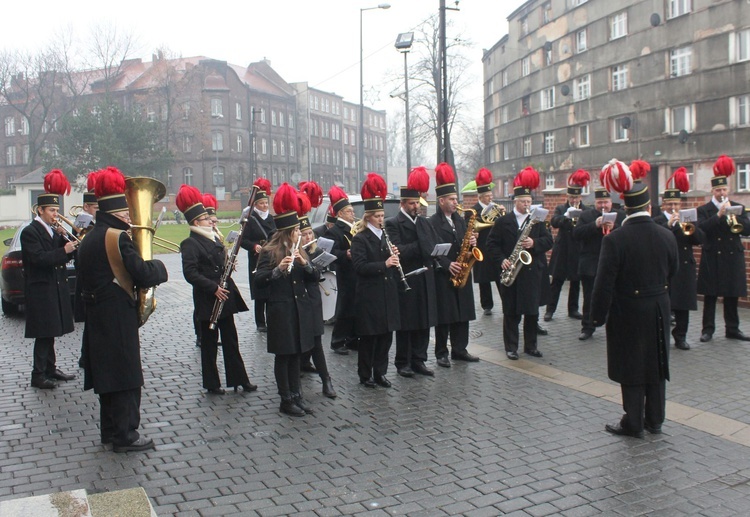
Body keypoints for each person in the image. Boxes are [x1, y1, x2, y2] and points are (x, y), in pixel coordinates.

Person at [78, 166, 168, 452]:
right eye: (128, 214)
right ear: (118, 213)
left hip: (97, 315)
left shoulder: (90, 237)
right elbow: (142, 272)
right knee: (127, 376)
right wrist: (161, 267)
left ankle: (110, 430)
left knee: (107, 376)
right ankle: (126, 435)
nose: (131, 219)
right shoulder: (117, 237)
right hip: (117, 315)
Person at [591, 163, 678, 438]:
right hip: (659, 307)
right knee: (657, 362)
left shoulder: (615, 240)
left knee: (631, 365)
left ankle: (633, 422)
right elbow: (673, 271)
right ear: (648, 208)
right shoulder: (666, 234)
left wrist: (596, 316)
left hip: (627, 309)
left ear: (624, 209)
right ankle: (656, 419)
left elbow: (604, 283)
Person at [178, 185, 256, 395]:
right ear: (196, 222)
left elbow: (217, 261)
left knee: (231, 339)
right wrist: (213, 288)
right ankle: (212, 383)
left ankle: (239, 379)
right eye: (205, 219)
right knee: (210, 343)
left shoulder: (213, 237)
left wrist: (228, 266)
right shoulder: (190, 243)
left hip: (224, 295)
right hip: (209, 297)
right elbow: (190, 273)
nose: (211, 221)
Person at [255, 183, 319, 417]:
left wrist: (306, 264)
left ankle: (298, 395)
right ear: (287, 232)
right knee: (284, 356)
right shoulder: (269, 252)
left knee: (297, 355)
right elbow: (259, 281)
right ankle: (286, 398)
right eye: (296, 232)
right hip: (281, 311)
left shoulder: (300, 250)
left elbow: (315, 278)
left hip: (299, 309)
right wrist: (276, 272)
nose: (300, 235)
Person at [486, 167, 553, 360]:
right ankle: (511, 347)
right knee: (511, 312)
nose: (526, 205)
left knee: (532, 313)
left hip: (532, 273)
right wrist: (502, 260)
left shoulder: (537, 221)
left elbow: (549, 241)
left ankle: (531, 346)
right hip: (512, 271)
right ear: (515, 202)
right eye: (523, 201)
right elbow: (492, 245)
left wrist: (534, 243)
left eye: (529, 202)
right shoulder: (503, 221)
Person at [22, 169, 77, 390]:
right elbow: (38, 259)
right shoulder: (31, 231)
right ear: (41, 210)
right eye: (52, 210)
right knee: (43, 334)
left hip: (53, 288)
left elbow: (62, 254)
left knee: (51, 331)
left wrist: (70, 244)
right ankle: (38, 375)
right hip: (41, 290)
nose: (56, 213)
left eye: (57, 209)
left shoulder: (52, 230)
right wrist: (64, 250)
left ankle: (50, 369)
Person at [385, 166, 438, 378]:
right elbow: (399, 250)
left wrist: (430, 248)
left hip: (426, 277)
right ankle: (403, 362)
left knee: (424, 321)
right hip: (407, 278)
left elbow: (432, 245)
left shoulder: (424, 222)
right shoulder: (393, 224)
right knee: (407, 324)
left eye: (417, 203)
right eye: (412, 203)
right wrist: (422, 245)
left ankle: (419, 360)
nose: (416, 206)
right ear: (403, 204)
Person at [351, 173, 401, 387]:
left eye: (383, 215)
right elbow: (360, 266)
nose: (382, 219)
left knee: (385, 336)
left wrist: (394, 257)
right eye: (378, 216)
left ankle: (380, 372)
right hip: (370, 295)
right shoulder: (360, 239)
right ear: (368, 217)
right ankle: (365, 374)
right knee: (370, 337)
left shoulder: (385, 236)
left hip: (387, 293)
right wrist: (385, 264)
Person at [429, 162, 479, 367]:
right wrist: (448, 264)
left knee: (463, 313)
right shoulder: (432, 222)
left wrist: (472, 245)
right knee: (445, 315)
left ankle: (460, 349)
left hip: (463, 271)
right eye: (451, 199)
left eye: (455, 199)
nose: (455, 202)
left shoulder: (460, 220)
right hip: (444, 274)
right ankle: (441, 352)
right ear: (441, 201)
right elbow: (432, 250)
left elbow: (463, 243)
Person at [697, 155, 750, 342]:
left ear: (728, 189)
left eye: (724, 189)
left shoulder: (738, 206)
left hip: (732, 255)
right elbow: (700, 230)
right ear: (712, 190)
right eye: (718, 189)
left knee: (731, 294)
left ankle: (733, 329)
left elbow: (747, 229)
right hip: (713, 254)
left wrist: (734, 216)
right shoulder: (704, 210)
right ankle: (707, 330)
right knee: (710, 295)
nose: (721, 192)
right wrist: (719, 215)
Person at [652, 167, 704, 350]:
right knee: (664, 303)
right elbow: (656, 240)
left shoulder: (688, 219)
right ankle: (661, 336)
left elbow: (699, 240)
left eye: (675, 204)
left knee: (683, 304)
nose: (673, 207)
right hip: (665, 268)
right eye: (669, 204)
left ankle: (680, 337)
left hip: (684, 266)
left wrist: (690, 227)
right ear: (664, 204)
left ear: (680, 204)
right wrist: (669, 224)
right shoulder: (657, 221)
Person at [298, 181, 337, 398]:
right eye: (304, 235)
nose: (308, 238)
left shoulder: (314, 250)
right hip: (298, 301)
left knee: (316, 342)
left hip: (313, 300)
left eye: (310, 234)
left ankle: (326, 380)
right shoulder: (294, 253)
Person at [573, 187, 625, 341]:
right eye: (600, 202)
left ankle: (614, 326)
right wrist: (594, 225)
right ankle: (588, 327)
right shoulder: (586, 215)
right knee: (590, 297)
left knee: (615, 297)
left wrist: (614, 228)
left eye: (606, 202)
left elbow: (627, 235)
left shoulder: (620, 215)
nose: (603, 205)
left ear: (611, 202)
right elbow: (577, 234)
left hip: (613, 264)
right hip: (591, 263)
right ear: (595, 203)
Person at [545, 169, 589, 322]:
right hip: (563, 249)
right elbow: (554, 222)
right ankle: (550, 310)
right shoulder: (561, 209)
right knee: (556, 281)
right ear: (568, 196)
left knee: (576, 282)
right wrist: (566, 216)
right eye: (571, 196)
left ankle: (573, 309)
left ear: (580, 197)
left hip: (578, 249)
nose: (574, 199)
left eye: (576, 197)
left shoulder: (586, 209)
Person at [324, 185, 359, 354]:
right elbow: (332, 252)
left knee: (355, 307)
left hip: (357, 271)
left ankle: (352, 339)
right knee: (345, 307)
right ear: (340, 214)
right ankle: (337, 341)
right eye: (349, 211)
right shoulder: (336, 230)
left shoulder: (355, 228)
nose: (353, 214)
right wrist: (346, 253)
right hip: (346, 273)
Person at [240, 178, 276, 332]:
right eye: (261, 203)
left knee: (271, 289)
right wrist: (254, 246)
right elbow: (243, 240)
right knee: (259, 290)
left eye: (266, 203)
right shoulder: (250, 219)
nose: (265, 206)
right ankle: (260, 322)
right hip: (256, 258)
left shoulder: (271, 219)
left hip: (272, 257)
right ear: (255, 205)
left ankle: (271, 318)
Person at [472, 168, 503, 316]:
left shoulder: (496, 207)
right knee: (484, 279)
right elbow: (472, 225)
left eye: (491, 195)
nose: (490, 198)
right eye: (487, 196)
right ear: (481, 197)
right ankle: (487, 305)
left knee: (499, 275)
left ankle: (505, 299)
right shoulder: (474, 210)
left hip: (495, 245)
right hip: (481, 246)